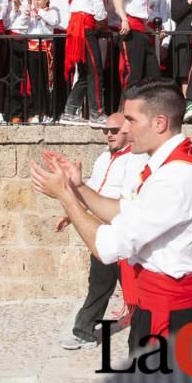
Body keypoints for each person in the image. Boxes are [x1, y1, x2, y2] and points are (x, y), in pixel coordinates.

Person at [31, 78, 192, 350]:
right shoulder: (167, 168)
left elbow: (107, 246)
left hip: (167, 314)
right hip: (156, 306)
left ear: (159, 123)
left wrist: (65, 197)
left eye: (131, 120)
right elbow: (123, 210)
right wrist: (77, 187)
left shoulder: (174, 177)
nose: (126, 130)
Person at [59, 113, 148, 349]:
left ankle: (145, 333)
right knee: (99, 283)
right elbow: (92, 191)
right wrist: (73, 212)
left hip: (122, 233)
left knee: (137, 288)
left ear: (127, 131)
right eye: (105, 130)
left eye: (114, 130)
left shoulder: (137, 161)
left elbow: (127, 199)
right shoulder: (101, 159)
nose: (109, 134)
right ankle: (83, 329)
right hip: (102, 232)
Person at [61, 0, 113, 126]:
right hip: (85, 27)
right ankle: (96, 114)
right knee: (95, 71)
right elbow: (98, 8)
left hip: (79, 26)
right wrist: (103, 23)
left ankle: (69, 111)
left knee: (84, 73)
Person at [113, 0, 160, 87]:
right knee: (134, 73)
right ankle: (128, 105)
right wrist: (124, 19)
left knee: (152, 72)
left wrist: (148, 28)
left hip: (141, 32)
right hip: (132, 32)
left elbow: (140, 11)